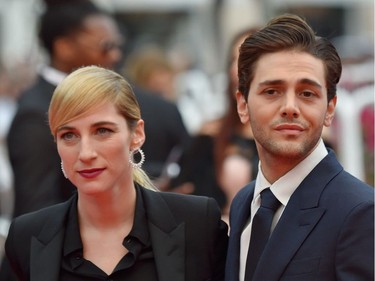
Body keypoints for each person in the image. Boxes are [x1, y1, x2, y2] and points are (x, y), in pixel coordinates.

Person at [4, 65, 228, 281]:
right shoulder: (26, 239)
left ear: (137, 134)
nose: (86, 153)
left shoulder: (198, 224)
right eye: (69, 135)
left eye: (102, 131)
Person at [225, 14, 374, 281]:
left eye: (307, 93)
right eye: (272, 91)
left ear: (330, 109)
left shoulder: (361, 213)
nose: (290, 108)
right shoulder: (244, 203)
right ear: (242, 105)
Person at [6, 0, 123, 218]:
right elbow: (37, 212)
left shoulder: (109, 97)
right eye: (106, 46)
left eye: (118, 45)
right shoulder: (37, 113)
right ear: (64, 48)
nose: (115, 56)